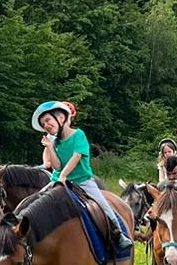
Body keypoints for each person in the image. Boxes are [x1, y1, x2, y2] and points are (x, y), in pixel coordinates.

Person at [33, 102, 131, 254]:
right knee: (36, 200)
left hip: (82, 181)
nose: (45, 125)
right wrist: (50, 148)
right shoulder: (56, 143)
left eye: (47, 120)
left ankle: (118, 233)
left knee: (102, 204)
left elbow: (76, 156)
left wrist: (64, 176)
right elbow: (57, 166)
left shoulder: (78, 135)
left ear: (61, 117)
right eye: (43, 123)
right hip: (58, 181)